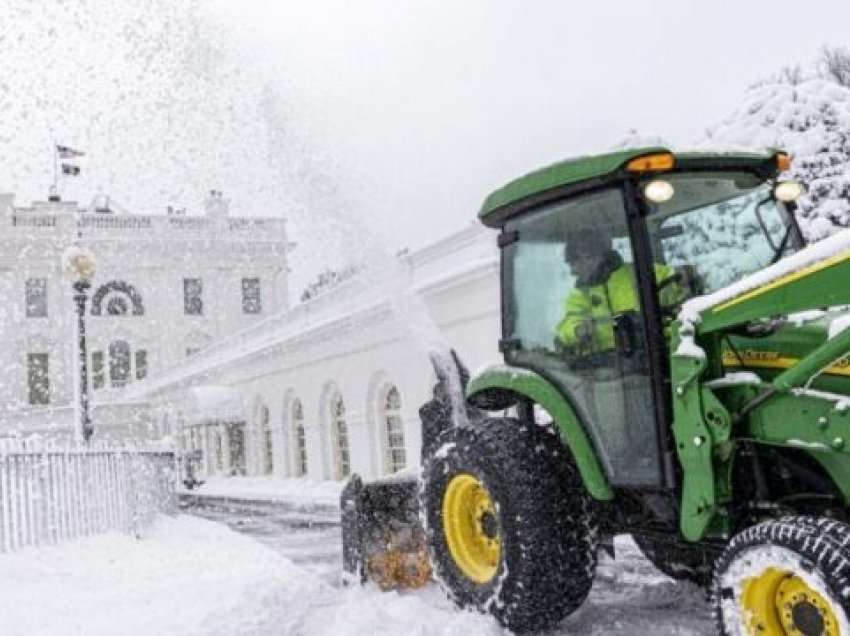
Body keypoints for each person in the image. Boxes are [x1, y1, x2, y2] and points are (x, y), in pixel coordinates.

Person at [556, 229, 681, 353]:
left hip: (657, 356)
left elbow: (682, 295)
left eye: (575, 263)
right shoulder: (580, 294)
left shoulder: (645, 274)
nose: (573, 272)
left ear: (593, 256)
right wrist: (576, 330)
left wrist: (684, 278)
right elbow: (567, 324)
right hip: (606, 365)